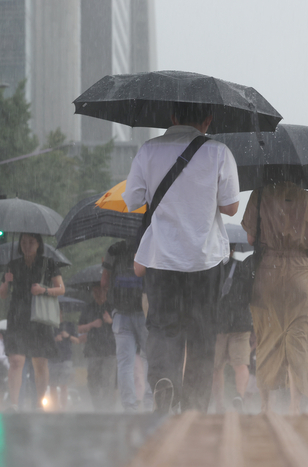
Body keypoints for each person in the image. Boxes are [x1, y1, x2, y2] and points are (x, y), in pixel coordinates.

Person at [123, 102, 240, 414]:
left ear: (172, 117)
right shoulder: (219, 152)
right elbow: (230, 207)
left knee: (163, 326)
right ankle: (194, 405)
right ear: (208, 119)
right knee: (202, 333)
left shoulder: (148, 151)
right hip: (205, 260)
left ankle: (164, 380)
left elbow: (133, 199)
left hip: (162, 258)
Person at [241, 181, 308, 415]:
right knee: (299, 339)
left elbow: (251, 239)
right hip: (299, 272)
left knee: (267, 338)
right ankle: (295, 405)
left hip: (268, 272)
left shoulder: (260, 194)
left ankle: (266, 406)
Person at [0, 233, 65, 412]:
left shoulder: (48, 263)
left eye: (31, 242)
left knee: (40, 361)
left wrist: (44, 290)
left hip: (38, 316)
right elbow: (3, 293)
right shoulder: (12, 265)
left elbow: (61, 288)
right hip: (17, 315)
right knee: (16, 359)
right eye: (23, 242)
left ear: (38, 244)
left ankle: (39, 403)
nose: (27, 246)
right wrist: (6, 281)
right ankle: (13, 404)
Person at [102, 239, 152, 412]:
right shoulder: (148, 243)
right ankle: (150, 402)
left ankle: (129, 407)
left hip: (121, 313)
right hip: (145, 311)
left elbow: (103, 282)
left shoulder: (114, 249)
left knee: (125, 364)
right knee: (150, 359)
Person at [212, 251, 253, 413]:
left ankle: (219, 404)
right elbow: (252, 295)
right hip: (241, 324)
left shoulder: (213, 268)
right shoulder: (243, 268)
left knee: (217, 367)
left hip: (218, 323)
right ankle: (239, 396)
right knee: (241, 363)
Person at [78, 283, 117, 411]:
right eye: (95, 292)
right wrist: (91, 325)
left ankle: (106, 408)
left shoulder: (112, 307)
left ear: (105, 290)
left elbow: (122, 327)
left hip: (110, 350)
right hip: (92, 350)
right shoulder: (88, 308)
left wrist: (110, 321)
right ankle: (97, 407)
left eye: (99, 291)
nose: (97, 294)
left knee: (108, 381)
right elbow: (79, 328)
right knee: (92, 381)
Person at [49, 312, 78, 411]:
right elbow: (44, 342)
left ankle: (63, 408)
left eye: (60, 312)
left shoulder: (69, 325)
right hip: (53, 359)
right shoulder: (50, 326)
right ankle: (55, 407)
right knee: (53, 385)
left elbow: (77, 341)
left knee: (64, 385)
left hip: (66, 359)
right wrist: (54, 339)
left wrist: (68, 336)